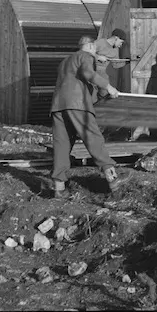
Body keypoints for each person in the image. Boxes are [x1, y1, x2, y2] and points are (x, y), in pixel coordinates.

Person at [50, 36, 132, 198]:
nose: (96, 52)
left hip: (58, 106)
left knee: (62, 145)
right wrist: (108, 87)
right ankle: (112, 177)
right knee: (93, 137)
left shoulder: (65, 61)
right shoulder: (85, 56)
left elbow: (76, 81)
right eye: (94, 48)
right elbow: (88, 74)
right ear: (89, 46)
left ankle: (59, 188)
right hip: (77, 103)